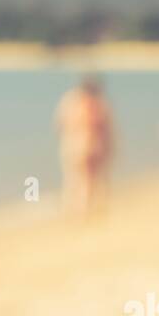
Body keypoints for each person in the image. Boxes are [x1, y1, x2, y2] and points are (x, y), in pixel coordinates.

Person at [54, 76, 114, 216]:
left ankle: (74, 210)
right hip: (94, 145)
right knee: (91, 181)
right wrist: (109, 148)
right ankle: (86, 210)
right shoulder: (100, 103)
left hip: (72, 145)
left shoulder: (70, 100)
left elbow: (59, 124)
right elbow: (107, 129)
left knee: (73, 179)